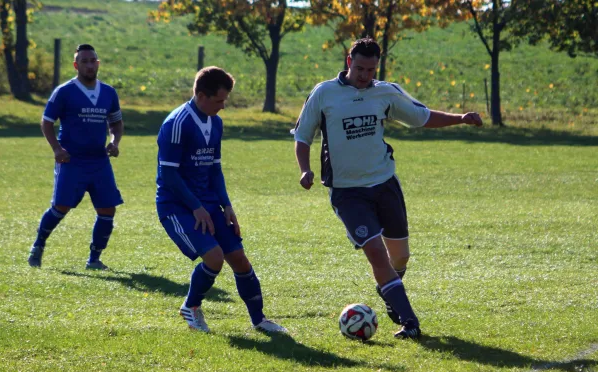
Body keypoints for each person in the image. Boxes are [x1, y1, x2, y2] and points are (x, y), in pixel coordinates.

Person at [291, 38, 482, 339]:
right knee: (377, 255)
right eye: (360, 68)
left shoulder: (385, 92)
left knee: (401, 257)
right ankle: (410, 321)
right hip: (348, 192)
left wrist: (460, 118)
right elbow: (302, 136)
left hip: (384, 184)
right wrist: (304, 169)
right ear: (348, 60)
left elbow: (421, 117)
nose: (365, 75)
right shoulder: (324, 93)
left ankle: (389, 288)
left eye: (371, 69)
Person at [156, 66, 287, 334]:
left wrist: (226, 205)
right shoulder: (177, 123)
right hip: (176, 205)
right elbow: (168, 174)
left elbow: (214, 168)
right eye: (219, 100)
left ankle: (259, 320)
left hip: (207, 203)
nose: (223, 106)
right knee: (214, 257)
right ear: (201, 96)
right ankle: (190, 307)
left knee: (239, 258)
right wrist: (196, 208)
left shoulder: (216, 122)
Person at [28, 44, 124, 270]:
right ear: (76, 65)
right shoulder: (64, 91)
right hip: (71, 160)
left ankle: (94, 259)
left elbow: (116, 122)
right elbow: (47, 122)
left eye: (93, 61)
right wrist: (57, 149)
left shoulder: (109, 92)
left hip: (100, 161)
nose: (90, 65)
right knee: (61, 207)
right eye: (85, 61)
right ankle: (38, 245)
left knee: (107, 209)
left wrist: (114, 141)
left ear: (98, 63)